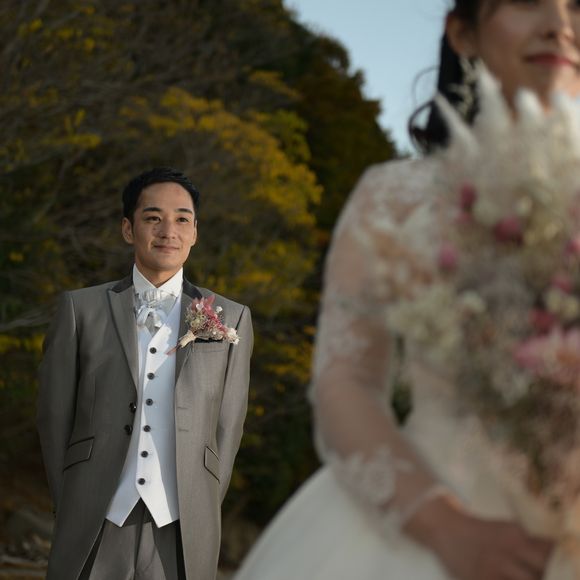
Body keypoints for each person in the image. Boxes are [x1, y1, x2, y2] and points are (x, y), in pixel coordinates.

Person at [234, 1, 580, 579]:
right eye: (527, 0)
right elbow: (347, 381)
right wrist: (442, 524)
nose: (559, 25)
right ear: (463, 34)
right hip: (427, 530)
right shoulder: (395, 198)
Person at [37, 167, 253, 580]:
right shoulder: (80, 310)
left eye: (182, 219)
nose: (168, 231)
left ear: (195, 232)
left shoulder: (231, 317)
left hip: (181, 526)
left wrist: (201, 504)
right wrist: (72, 501)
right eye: (153, 217)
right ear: (128, 228)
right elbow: (54, 417)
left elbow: (228, 429)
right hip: (95, 519)